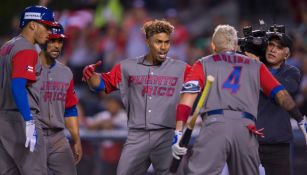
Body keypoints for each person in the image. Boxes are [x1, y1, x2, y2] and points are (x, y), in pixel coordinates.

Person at [171, 24, 307, 175]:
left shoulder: (202, 63)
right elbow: (281, 95)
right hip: (246, 128)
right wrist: (300, 119)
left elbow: (187, 99)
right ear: (235, 45)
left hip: (215, 125)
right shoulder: (255, 65)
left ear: (213, 46)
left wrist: (178, 132)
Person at [82, 19, 191, 175]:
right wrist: (90, 76)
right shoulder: (127, 66)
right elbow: (102, 84)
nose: (163, 47)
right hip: (137, 135)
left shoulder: (182, 68)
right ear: (147, 41)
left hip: (167, 136)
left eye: (167, 42)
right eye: (158, 42)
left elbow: (199, 86)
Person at [0, 5, 58, 175]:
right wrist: (28, 120)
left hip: (3, 121)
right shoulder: (26, 48)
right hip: (21, 118)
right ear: (33, 25)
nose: (49, 32)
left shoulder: (7, 46)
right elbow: (18, 85)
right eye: (46, 26)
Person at [38, 23, 82, 175]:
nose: (56, 45)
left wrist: (76, 139)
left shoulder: (66, 72)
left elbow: (70, 108)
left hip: (58, 137)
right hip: (33, 135)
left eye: (60, 41)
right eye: (52, 40)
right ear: (43, 40)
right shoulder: (27, 67)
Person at [256, 30, 301, 175]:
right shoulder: (252, 68)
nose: (273, 49)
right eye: (270, 44)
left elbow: (286, 91)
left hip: (278, 142)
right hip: (251, 140)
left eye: (279, 47)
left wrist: (259, 70)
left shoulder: (292, 71)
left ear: (286, 54)